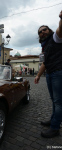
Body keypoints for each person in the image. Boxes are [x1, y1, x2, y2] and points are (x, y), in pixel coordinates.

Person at [34, 10, 62, 138]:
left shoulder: (55, 37)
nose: (42, 32)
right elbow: (45, 62)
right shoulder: (44, 46)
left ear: (49, 30)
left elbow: (60, 29)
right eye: (40, 31)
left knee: (58, 102)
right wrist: (38, 75)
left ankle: (55, 128)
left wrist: (61, 18)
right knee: (54, 101)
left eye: (44, 29)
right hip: (50, 74)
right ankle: (53, 120)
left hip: (58, 73)